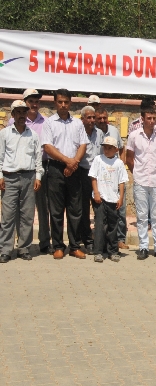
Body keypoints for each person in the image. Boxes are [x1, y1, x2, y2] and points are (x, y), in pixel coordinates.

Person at [42, 88, 89, 259]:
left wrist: (74, 162)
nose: (63, 105)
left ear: (70, 102)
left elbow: (83, 144)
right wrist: (66, 161)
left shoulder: (77, 123)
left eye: (66, 102)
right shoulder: (49, 122)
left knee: (75, 209)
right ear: (55, 102)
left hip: (74, 169)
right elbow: (47, 146)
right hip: (55, 169)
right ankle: (58, 246)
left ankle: (75, 246)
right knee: (56, 210)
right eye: (60, 102)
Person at [125, 107, 156, 261]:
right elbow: (129, 159)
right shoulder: (134, 136)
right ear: (142, 119)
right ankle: (143, 247)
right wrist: (138, 174)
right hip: (141, 181)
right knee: (142, 216)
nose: (152, 121)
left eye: (154, 118)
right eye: (149, 118)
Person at [0, 100, 43, 263]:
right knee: (8, 215)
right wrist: (0, 176)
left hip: (29, 177)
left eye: (24, 112)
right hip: (9, 177)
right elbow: (0, 156)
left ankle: (24, 248)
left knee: (27, 215)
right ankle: (5, 249)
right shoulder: (4, 134)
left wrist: (38, 176)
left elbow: (38, 157)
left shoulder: (33, 135)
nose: (21, 115)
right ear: (12, 115)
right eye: (18, 112)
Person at [128, 98, 156, 234]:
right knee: (142, 207)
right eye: (152, 109)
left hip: (155, 172)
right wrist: (139, 171)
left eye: (154, 115)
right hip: (141, 173)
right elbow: (130, 155)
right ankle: (145, 236)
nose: (152, 119)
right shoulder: (134, 126)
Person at [88, 136, 127, 263]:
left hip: (113, 198)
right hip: (101, 198)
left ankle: (113, 251)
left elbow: (122, 182)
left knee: (113, 226)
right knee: (99, 225)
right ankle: (98, 251)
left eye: (110, 148)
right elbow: (93, 177)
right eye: (105, 147)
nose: (106, 150)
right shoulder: (98, 160)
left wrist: (120, 198)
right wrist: (96, 193)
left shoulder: (119, 163)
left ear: (116, 149)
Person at [94, 106, 127, 251]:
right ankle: (100, 245)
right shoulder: (92, 132)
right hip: (97, 178)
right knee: (101, 217)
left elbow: (122, 148)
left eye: (104, 118)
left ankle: (119, 240)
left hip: (114, 179)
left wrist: (120, 164)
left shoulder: (114, 131)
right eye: (99, 118)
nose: (102, 120)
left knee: (120, 212)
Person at [23, 89, 50, 254]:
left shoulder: (45, 122)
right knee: (25, 209)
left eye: (37, 101)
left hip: (43, 167)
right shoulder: (15, 121)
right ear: (25, 102)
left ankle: (45, 242)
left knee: (43, 206)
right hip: (24, 168)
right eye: (31, 101)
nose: (34, 104)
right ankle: (24, 244)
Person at [78, 105, 102, 251]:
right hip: (82, 173)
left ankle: (99, 240)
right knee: (83, 209)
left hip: (97, 176)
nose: (92, 120)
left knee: (99, 208)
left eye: (94, 117)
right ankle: (87, 240)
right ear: (82, 119)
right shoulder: (78, 133)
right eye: (89, 117)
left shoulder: (100, 133)